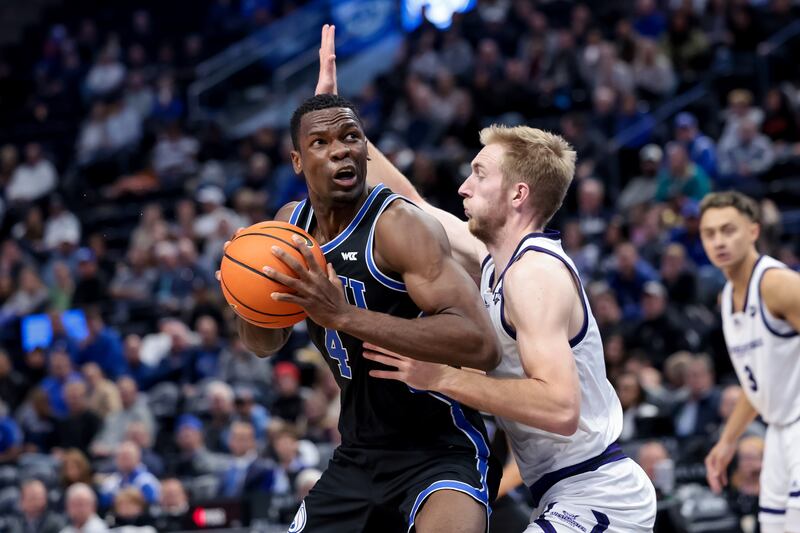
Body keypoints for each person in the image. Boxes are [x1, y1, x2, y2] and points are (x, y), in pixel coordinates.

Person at [315, 26, 656, 532]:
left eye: (478, 174)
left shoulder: (534, 275)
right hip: (563, 488)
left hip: (596, 490)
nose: (463, 185)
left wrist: (443, 378)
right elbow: (410, 201)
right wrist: (340, 122)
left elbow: (561, 407)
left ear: (518, 195)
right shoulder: (497, 258)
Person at [218, 25, 500, 533]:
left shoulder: (400, 227)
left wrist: (344, 316)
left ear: (368, 150)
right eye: (321, 142)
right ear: (298, 162)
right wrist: (245, 297)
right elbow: (263, 343)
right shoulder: (289, 228)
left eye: (352, 137)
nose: (341, 150)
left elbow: (480, 343)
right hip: (358, 455)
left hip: (440, 449)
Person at [700, 191, 800, 533]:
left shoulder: (778, 284)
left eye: (729, 230)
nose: (719, 241)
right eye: (709, 233)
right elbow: (757, 381)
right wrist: (727, 441)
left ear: (754, 231)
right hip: (779, 429)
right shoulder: (726, 297)